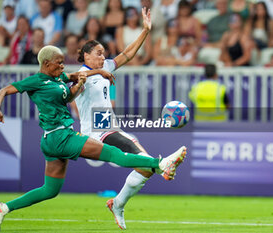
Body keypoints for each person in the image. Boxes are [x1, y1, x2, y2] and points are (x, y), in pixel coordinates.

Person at [0, 45, 186, 232]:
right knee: (113, 153)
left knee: (50, 190)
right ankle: (160, 164)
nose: (62, 66)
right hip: (61, 137)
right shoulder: (36, 81)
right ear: (46, 63)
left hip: (51, 140)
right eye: (58, 63)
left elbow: (73, 82)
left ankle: (4, 208)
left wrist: (91, 77)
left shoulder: (59, 79)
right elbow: (4, 90)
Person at [74, 8, 187, 230]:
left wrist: (145, 31)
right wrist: (96, 73)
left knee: (143, 166)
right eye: (98, 52)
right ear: (86, 56)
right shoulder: (81, 74)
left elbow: (127, 54)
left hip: (109, 125)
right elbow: (73, 83)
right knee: (141, 155)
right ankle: (164, 164)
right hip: (96, 131)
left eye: (103, 52)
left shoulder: (105, 67)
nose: (103, 56)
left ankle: (118, 204)